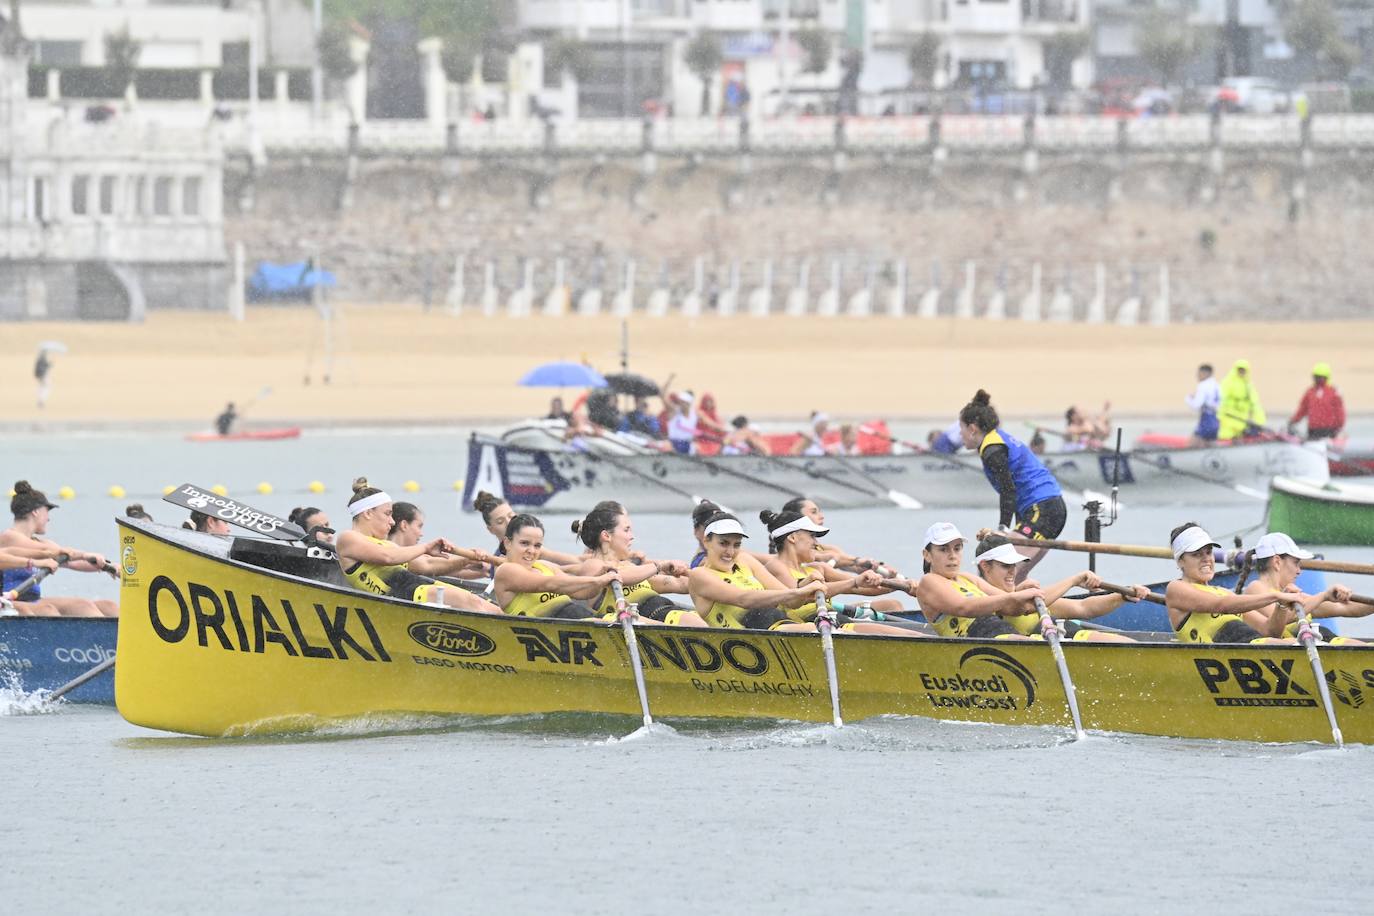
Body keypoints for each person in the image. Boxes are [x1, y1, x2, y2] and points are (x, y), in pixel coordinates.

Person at [335, 478, 500, 613]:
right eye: (387, 514)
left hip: (415, 587)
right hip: (401, 597)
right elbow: (388, 557)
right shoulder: (348, 538)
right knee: (469, 602)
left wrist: (467, 560)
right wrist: (426, 547)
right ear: (368, 513)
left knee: (480, 602)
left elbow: (427, 564)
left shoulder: (384, 544)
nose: (392, 521)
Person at [758, 508, 924, 636]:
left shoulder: (817, 568)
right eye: (812, 536)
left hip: (833, 620)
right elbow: (800, 595)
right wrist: (853, 582)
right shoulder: (775, 566)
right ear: (792, 538)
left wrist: (902, 585)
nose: (816, 543)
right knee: (911, 635)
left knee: (913, 634)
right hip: (810, 625)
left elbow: (863, 587)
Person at [958, 389, 1065, 578]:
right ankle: (1022, 606)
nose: (960, 435)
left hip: (1043, 510)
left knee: (993, 572)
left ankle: (986, 607)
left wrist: (1002, 529)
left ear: (973, 428)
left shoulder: (993, 450)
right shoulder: (996, 438)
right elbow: (1013, 493)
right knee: (1013, 578)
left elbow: (1008, 490)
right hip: (1045, 509)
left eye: (962, 429)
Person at [972, 533, 1144, 642]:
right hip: (1038, 653)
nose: (1012, 572)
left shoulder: (1026, 595)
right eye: (1005, 565)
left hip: (1058, 641)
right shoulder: (980, 600)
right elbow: (1021, 607)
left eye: (1014, 565)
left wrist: (1122, 596)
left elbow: (1083, 607)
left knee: (1131, 645)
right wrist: (1074, 580)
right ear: (985, 566)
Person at [571, 501, 707, 626]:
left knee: (699, 620)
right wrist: (659, 566)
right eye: (626, 530)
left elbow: (679, 584)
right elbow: (619, 575)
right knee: (694, 623)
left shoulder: (632, 567)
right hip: (628, 622)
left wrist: (703, 574)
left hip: (663, 612)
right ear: (606, 536)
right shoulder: (593, 564)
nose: (632, 536)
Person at [686, 513, 821, 631]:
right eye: (723, 543)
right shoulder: (699, 575)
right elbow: (743, 599)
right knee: (759, 612)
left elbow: (791, 602)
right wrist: (798, 592)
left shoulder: (744, 560)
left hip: (776, 627)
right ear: (706, 541)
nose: (730, 552)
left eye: (736, 545)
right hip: (744, 641)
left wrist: (805, 587)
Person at [1163, 522, 1293, 644]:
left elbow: (1269, 631)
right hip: (1233, 653)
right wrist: (1275, 597)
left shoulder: (1224, 593)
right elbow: (1220, 605)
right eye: (1197, 554)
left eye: (1209, 552)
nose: (1206, 559)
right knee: (1290, 643)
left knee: (1293, 642)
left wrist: (1281, 606)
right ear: (1180, 561)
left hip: (1252, 648)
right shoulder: (1176, 588)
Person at [1, 481, 117, 617]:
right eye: (47, 511)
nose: (48, 518)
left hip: (31, 600)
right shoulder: (9, 537)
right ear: (36, 511)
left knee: (104, 606)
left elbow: (71, 562)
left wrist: (108, 566)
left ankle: (122, 636)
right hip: (7, 601)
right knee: (48, 611)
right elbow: (50, 551)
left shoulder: (40, 543)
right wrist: (84, 554)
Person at [911, 523, 1045, 639]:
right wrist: (1014, 596)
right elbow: (964, 607)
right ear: (927, 555)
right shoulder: (929, 581)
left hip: (997, 629)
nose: (952, 556)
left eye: (957, 548)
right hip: (974, 636)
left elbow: (1010, 607)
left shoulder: (967, 578)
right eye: (943, 549)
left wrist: (1026, 596)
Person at [1240, 532, 1368, 644]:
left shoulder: (1297, 597)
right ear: (1277, 562)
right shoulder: (1255, 588)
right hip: (1284, 651)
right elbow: (1282, 618)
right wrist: (1324, 595)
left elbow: (1347, 609)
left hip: (1309, 644)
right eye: (1296, 563)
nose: (1299, 571)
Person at [492, 514, 621, 619]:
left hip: (578, 620)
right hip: (551, 628)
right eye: (525, 543)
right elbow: (548, 584)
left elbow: (581, 592)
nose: (531, 551)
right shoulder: (506, 570)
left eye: (537, 545)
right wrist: (596, 580)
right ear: (508, 543)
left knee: (638, 620)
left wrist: (600, 577)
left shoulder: (544, 566)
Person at [388, 502, 497, 584]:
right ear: (404, 525)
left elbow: (454, 571)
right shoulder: (390, 551)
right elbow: (429, 564)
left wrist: (488, 571)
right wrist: (468, 558)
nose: (421, 534)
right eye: (419, 526)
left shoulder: (416, 555)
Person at [473, 491, 580, 568]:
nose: (509, 522)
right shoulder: (499, 559)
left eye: (511, 515)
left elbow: (576, 562)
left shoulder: (531, 549)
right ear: (490, 530)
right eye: (500, 521)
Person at [1288, 362, 1345, 441]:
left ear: (1326, 377)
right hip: (1313, 430)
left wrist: (1339, 427)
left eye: (1319, 377)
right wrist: (1293, 421)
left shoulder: (1334, 392)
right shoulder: (1310, 392)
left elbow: (1339, 411)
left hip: (1329, 430)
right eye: (1315, 377)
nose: (1317, 379)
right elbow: (1302, 409)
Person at [1217, 359, 1266, 441]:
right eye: (1239, 369)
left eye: (1243, 370)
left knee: (1242, 436)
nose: (1241, 372)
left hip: (1243, 418)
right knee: (1226, 436)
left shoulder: (1248, 385)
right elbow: (1221, 400)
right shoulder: (1228, 382)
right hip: (1229, 417)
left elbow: (1254, 403)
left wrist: (1260, 421)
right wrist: (1219, 415)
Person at [1186, 363, 1221, 446]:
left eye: (1199, 374)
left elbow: (1196, 405)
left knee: (1192, 444)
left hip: (1206, 420)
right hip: (1216, 420)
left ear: (1206, 373)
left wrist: (1189, 399)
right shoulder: (1217, 385)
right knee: (1209, 445)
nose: (1197, 376)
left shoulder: (1203, 385)